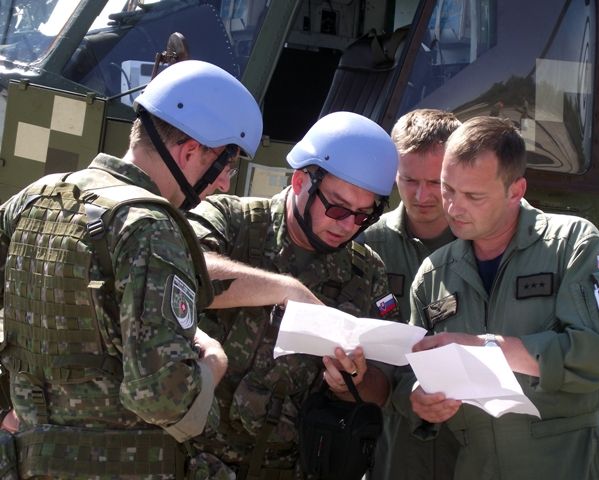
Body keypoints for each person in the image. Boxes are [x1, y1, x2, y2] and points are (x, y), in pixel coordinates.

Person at [0, 60, 264, 478]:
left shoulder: (35, 197)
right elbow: (162, 398)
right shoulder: (150, 227)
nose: (225, 185)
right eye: (226, 167)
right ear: (191, 151)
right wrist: (212, 365)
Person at [398, 116, 599, 480]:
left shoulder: (571, 245)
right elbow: (408, 371)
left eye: (473, 196)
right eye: (448, 189)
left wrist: (488, 348)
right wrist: (420, 399)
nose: (453, 207)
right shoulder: (434, 274)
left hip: (566, 466)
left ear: (515, 190)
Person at [186, 110, 400, 479]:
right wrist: (285, 289)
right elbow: (178, 273)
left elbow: (381, 390)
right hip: (192, 460)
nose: (347, 225)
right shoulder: (232, 221)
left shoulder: (366, 273)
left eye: (363, 215)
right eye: (337, 207)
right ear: (300, 180)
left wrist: (351, 383)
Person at [362, 109, 460, 480]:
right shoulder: (368, 245)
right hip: (394, 434)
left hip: (468, 432)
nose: (421, 195)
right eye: (408, 180)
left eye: (435, 182)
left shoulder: (483, 243)